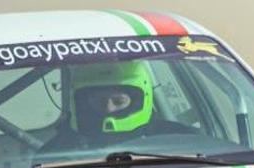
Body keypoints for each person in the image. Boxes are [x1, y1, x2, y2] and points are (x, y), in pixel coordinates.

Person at [41, 60, 193, 153]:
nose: (109, 109)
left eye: (119, 102)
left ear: (140, 99)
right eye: (99, 102)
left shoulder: (181, 141)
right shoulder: (58, 151)